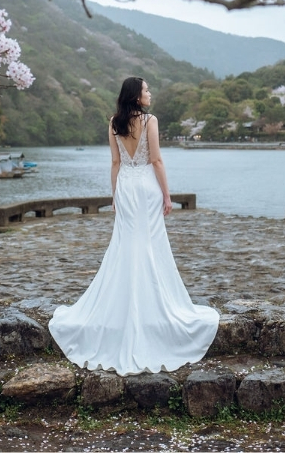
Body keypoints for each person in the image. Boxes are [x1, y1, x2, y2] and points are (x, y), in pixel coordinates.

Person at [48, 77, 220, 374]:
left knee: (125, 245)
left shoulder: (114, 122)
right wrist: (167, 194)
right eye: (146, 90)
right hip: (147, 188)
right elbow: (156, 159)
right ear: (137, 97)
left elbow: (115, 163)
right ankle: (151, 308)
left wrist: (115, 195)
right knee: (150, 244)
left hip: (126, 187)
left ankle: (122, 308)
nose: (149, 93)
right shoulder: (150, 120)